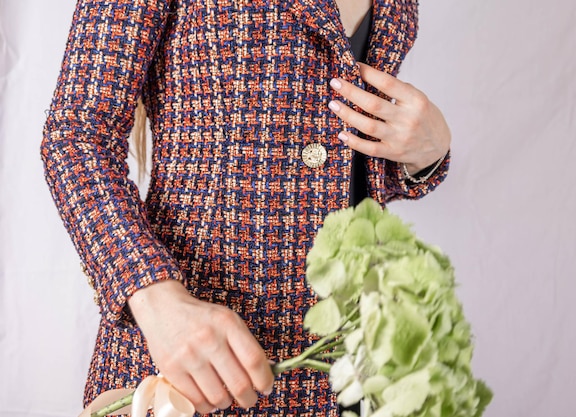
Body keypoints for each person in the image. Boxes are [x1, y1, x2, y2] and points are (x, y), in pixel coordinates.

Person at [41, 0, 451, 415]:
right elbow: (75, 137)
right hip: (192, 360)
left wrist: (428, 151)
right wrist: (156, 300)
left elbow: (330, 167)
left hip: (352, 359)